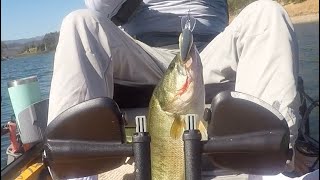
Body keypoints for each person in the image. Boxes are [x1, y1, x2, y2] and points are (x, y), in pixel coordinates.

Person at [47, 0, 308, 179]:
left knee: (268, 12)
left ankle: (275, 158)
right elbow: (98, 8)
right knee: (78, 22)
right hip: (145, 52)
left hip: (209, 52)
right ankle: (75, 168)